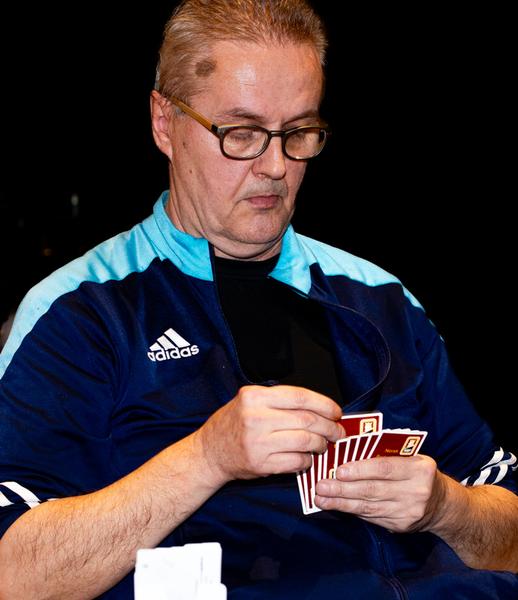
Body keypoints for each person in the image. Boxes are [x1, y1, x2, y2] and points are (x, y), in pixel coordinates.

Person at [0, 1, 517, 597]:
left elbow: (509, 533)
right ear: (165, 123)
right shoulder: (82, 314)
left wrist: (446, 507)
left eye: (298, 133)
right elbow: (14, 573)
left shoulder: (382, 300)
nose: (275, 166)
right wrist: (205, 458)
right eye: (241, 134)